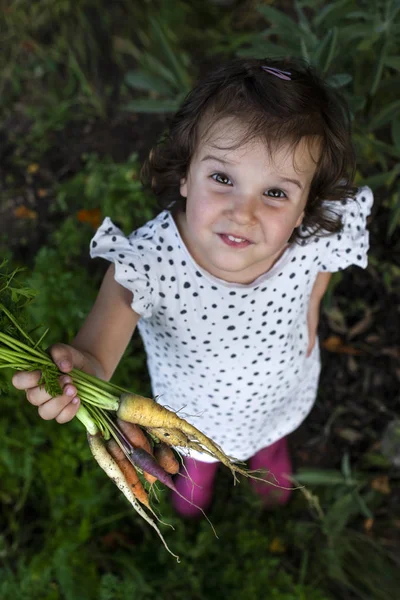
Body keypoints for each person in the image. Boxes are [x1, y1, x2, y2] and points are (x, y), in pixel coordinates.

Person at [12, 57, 373, 516]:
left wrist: (313, 306)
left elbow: (324, 262)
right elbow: (98, 350)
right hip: (189, 417)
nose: (244, 213)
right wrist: (81, 366)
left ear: (304, 207)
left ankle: (268, 452)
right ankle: (198, 463)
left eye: (276, 193)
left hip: (282, 391)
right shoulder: (150, 262)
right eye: (222, 178)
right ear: (186, 174)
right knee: (195, 446)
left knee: (274, 432)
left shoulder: (310, 236)